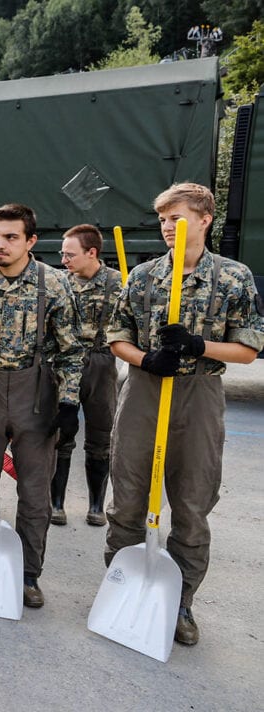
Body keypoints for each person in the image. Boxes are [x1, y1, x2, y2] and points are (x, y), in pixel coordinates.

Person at [105, 183, 264, 646]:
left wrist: (198, 345)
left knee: (193, 503)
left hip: (199, 393)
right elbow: (118, 336)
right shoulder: (145, 276)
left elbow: (249, 349)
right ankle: (121, 587)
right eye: (161, 220)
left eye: (176, 218)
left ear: (204, 219)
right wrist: (145, 360)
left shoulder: (233, 277)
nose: (167, 228)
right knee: (129, 496)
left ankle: (179, 603)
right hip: (144, 391)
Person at [0, 203, 83, 609]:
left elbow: (71, 350)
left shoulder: (53, 284)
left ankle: (26, 574)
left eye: (10, 237)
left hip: (35, 392)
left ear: (30, 241)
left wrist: (69, 401)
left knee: (35, 492)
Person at [52, 224, 122, 526]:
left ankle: (96, 505)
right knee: (61, 434)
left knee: (100, 434)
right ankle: (56, 503)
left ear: (91, 253)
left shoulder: (118, 283)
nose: (64, 259)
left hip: (101, 362)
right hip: (65, 361)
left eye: (70, 254)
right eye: (62, 254)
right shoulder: (60, 282)